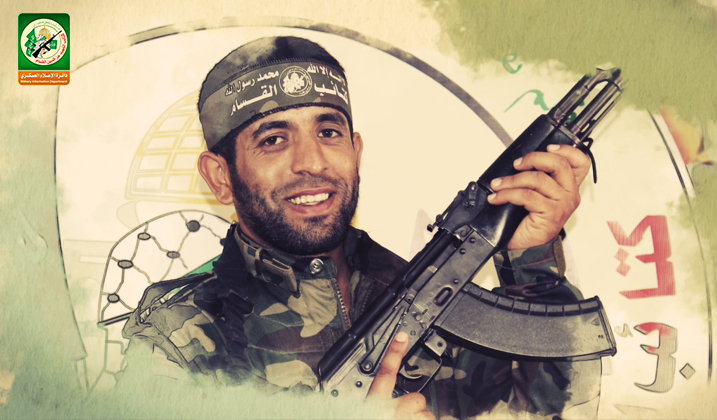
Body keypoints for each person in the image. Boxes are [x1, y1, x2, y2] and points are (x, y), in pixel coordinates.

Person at [122, 36, 600, 419]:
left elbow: (550, 411)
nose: (312, 161)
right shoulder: (180, 334)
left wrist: (531, 259)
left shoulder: (430, 292)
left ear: (356, 152)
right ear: (220, 177)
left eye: (328, 132)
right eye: (273, 140)